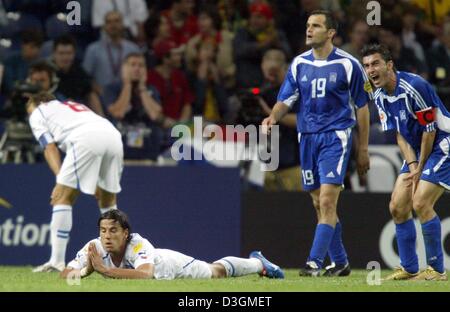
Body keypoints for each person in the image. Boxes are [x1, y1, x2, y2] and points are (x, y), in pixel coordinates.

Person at [262, 10, 371, 277]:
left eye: (316, 26)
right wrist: (272, 118)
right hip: (307, 137)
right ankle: (341, 261)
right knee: (317, 202)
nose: (309, 30)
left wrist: (363, 148)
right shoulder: (299, 64)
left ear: (331, 32)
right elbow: (286, 99)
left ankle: (314, 262)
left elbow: (363, 107)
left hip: (336, 136)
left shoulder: (349, 64)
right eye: (308, 25)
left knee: (326, 201)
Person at [362, 44, 449, 281]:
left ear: (389, 65)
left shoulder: (415, 86)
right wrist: (412, 166)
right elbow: (400, 134)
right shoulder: (378, 94)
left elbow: (430, 131)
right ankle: (409, 268)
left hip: (442, 145)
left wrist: (420, 168)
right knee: (398, 206)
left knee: (420, 202)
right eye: (367, 65)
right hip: (418, 150)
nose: (370, 70)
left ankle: (437, 271)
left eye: (375, 63)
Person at [27, 92, 124, 272]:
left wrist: (60, 179)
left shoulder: (37, 111)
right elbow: (96, 135)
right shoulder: (71, 105)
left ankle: (56, 262)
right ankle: (118, 260)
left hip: (85, 138)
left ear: (37, 102)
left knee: (61, 198)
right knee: (108, 202)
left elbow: (49, 147)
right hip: (113, 135)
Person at [60, 210, 284, 280]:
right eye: (103, 231)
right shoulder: (94, 247)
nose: (107, 236)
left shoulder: (137, 243)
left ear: (125, 232)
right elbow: (65, 275)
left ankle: (257, 262)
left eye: (113, 230)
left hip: (171, 265)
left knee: (215, 271)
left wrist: (105, 270)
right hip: (161, 270)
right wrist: (83, 271)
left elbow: (145, 274)